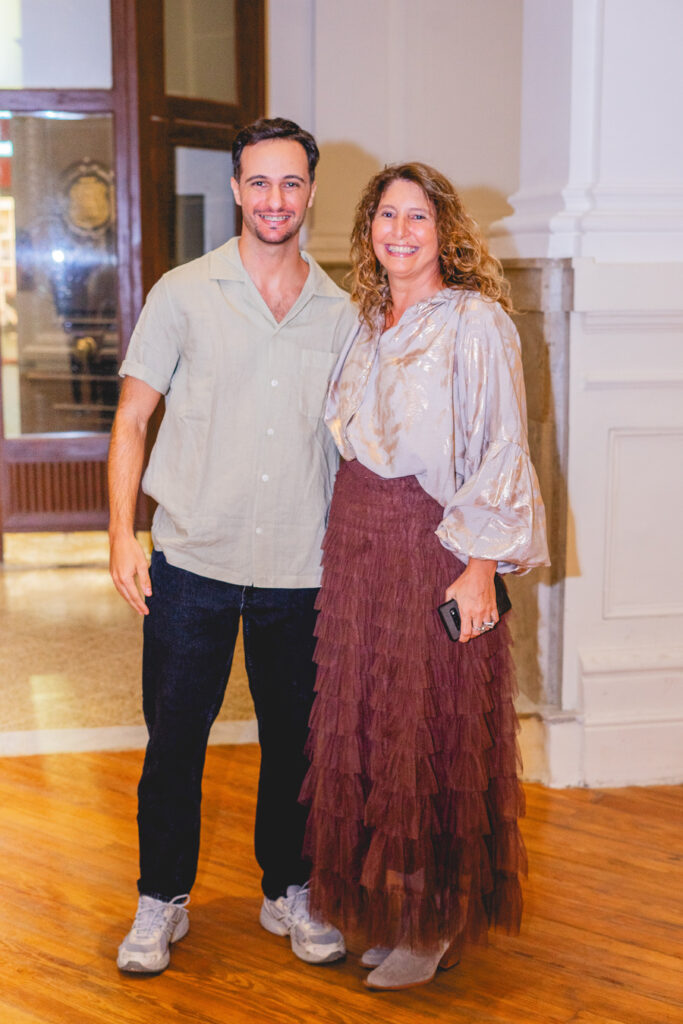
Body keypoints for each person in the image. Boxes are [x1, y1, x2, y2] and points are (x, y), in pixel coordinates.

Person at [108, 118, 357, 974]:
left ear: (311, 191)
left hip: (302, 567)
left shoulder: (345, 313)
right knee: (174, 741)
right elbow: (133, 419)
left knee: (296, 745)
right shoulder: (182, 292)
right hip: (192, 561)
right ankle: (160, 900)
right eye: (258, 183)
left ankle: (288, 888)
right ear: (235, 189)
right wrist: (119, 535)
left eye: (290, 183)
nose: (274, 200)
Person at [300, 163, 550, 991]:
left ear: (444, 231)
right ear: (368, 228)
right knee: (370, 720)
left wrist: (479, 567)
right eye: (385, 215)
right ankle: (394, 905)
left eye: (417, 216)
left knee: (427, 725)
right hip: (358, 538)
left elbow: (500, 450)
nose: (399, 230)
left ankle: (432, 919)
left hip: (431, 541)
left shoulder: (474, 322)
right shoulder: (367, 317)